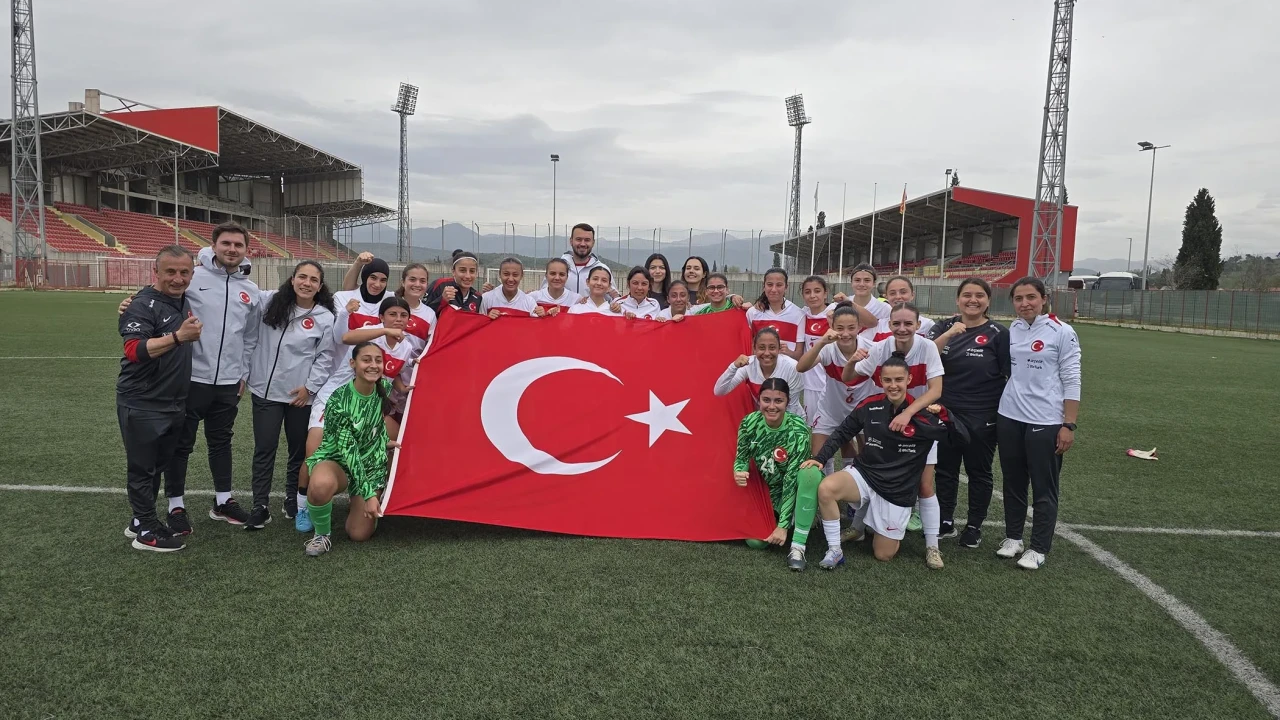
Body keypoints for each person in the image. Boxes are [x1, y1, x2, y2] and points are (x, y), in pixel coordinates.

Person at [797, 355, 965, 569]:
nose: (893, 385)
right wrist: (820, 458)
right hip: (865, 475)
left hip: (897, 489)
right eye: (888, 380)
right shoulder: (870, 405)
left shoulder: (924, 415)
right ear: (880, 381)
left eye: (898, 380)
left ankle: (877, 522)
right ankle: (835, 550)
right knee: (826, 488)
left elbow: (962, 440)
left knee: (883, 554)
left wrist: (945, 414)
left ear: (909, 380)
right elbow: (842, 432)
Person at [167, 223, 260, 529]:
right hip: (192, 378)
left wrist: (242, 373)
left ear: (246, 249)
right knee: (181, 443)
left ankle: (223, 501)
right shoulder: (193, 278)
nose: (232, 249)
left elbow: (249, 337)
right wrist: (131, 303)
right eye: (226, 243)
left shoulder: (251, 290)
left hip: (229, 382)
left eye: (238, 245)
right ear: (214, 245)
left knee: (221, 441)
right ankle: (176, 506)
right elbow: (161, 298)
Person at [845, 302, 946, 568]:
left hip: (919, 427)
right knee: (873, 474)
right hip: (884, 426)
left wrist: (908, 413)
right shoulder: (880, 348)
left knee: (925, 486)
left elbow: (936, 390)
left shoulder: (927, 347)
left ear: (918, 325)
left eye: (908, 323)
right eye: (897, 323)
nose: (902, 328)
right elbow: (850, 377)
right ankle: (858, 527)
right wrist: (852, 361)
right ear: (889, 324)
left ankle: (932, 546)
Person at [118, 246, 202, 552]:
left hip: (173, 401)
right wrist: (178, 337)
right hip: (143, 400)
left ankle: (141, 520)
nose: (178, 279)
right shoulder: (141, 305)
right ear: (156, 272)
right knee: (142, 468)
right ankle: (146, 532)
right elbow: (134, 350)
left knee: (157, 465)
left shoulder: (182, 300)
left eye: (184, 272)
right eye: (170, 272)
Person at [995, 277, 1081, 571]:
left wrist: (1069, 424)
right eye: (1018, 298)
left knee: (1044, 486)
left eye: (1031, 297)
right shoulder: (1014, 329)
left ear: (1044, 299)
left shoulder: (1062, 331)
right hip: (1009, 416)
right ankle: (1013, 537)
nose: (1024, 303)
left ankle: (1039, 547)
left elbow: (1072, 378)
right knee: (1013, 481)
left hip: (1046, 420)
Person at [245, 261, 337, 529]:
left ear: (320, 286)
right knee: (265, 449)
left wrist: (309, 387)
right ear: (292, 279)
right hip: (266, 392)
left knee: (298, 451)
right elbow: (241, 290)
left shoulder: (324, 317)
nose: (306, 283)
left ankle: (291, 499)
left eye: (313, 280)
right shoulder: (269, 302)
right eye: (302, 277)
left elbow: (325, 357)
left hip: (300, 396)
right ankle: (260, 506)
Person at [929, 278, 1010, 546]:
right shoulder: (943, 326)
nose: (972, 300)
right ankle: (945, 520)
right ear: (958, 299)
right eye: (966, 295)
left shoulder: (999, 333)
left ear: (988, 301)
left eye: (979, 295)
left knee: (979, 471)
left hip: (982, 415)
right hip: (945, 412)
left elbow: (1010, 374)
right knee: (945, 469)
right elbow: (926, 355)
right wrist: (949, 334)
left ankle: (974, 525)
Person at [301, 342, 400, 557]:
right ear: (353, 364)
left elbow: (375, 421)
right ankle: (322, 534)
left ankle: (366, 500)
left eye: (378, 360)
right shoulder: (338, 400)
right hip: (338, 460)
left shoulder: (384, 388)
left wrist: (383, 441)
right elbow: (349, 452)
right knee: (320, 485)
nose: (373, 365)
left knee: (358, 534)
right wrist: (368, 494)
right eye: (366, 360)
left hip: (371, 463)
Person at [732, 378, 822, 571]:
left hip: (794, 488)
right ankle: (794, 517)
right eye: (766, 400)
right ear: (759, 400)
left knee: (810, 473)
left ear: (787, 402)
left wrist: (782, 525)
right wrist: (739, 470)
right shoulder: (749, 422)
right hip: (769, 492)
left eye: (778, 401)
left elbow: (790, 479)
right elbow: (741, 456)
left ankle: (797, 544)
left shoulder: (797, 429)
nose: (771, 406)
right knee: (756, 542)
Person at [796, 304, 874, 465]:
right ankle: (826, 480)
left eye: (851, 328)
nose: (845, 333)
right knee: (817, 458)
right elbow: (801, 367)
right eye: (840, 328)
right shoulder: (827, 349)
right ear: (832, 327)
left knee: (868, 458)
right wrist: (821, 342)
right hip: (830, 410)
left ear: (859, 327)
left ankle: (851, 477)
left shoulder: (871, 349)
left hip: (862, 412)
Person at [714, 327, 804, 416]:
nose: (767, 353)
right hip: (766, 419)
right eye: (762, 348)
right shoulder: (748, 364)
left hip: (791, 419)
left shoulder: (791, 367)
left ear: (779, 349)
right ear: (754, 348)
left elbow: (792, 408)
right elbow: (719, 391)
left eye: (772, 348)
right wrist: (733, 366)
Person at [745, 268, 806, 359]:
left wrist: (789, 353)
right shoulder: (752, 313)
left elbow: (799, 355)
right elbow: (748, 347)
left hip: (787, 368)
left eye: (779, 285)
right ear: (763, 286)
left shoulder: (799, 314)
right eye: (770, 284)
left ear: (786, 287)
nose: (774, 289)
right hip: (759, 367)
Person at [547, 223, 611, 295]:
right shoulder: (557, 268)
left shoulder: (603, 269)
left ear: (593, 243)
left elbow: (613, 297)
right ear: (571, 241)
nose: (582, 244)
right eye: (578, 239)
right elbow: (545, 294)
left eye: (587, 240)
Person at [834, 263, 892, 342]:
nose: (861, 284)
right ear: (851, 283)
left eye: (867, 280)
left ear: (874, 284)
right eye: (857, 280)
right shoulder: (838, 305)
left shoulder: (884, 309)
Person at [481, 257, 547, 318]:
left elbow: (536, 325)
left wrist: (542, 315)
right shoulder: (486, 298)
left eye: (515, 275)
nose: (510, 279)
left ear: (521, 276)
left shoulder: (529, 302)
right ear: (499, 274)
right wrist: (486, 318)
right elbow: (479, 323)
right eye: (506, 274)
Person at [396, 263, 438, 347]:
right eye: (412, 280)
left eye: (422, 281)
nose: (417, 284)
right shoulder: (389, 302)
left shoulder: (430, 314)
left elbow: (430, 346)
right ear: (403, 282)